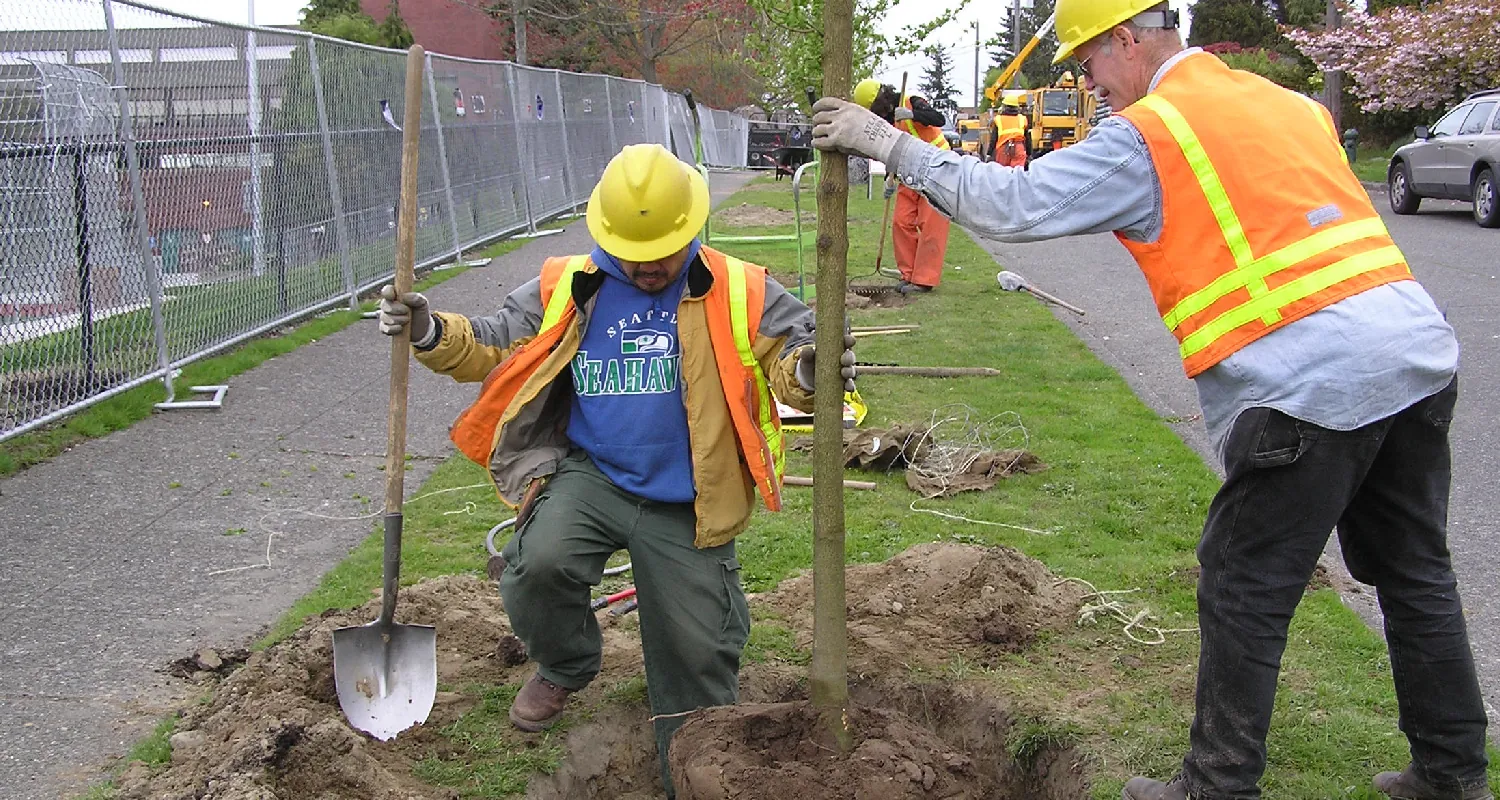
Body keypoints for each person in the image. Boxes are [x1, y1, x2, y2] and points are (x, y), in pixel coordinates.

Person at [815, 3, 1487, 800]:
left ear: (1127, 42)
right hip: (1412, 355)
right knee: (1416, 574)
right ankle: (1453, 778)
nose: (1089, 84)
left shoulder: (1154, 132)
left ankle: (1215, 786)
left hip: (1307, 380)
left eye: (1090, 64)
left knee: (1244, 590)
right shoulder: (1285, 103)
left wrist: (889, 143)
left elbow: (1016, 205)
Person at [377, 142, 856, 794]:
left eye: (663, 249)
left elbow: (795, 354)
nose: (649, 265)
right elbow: (491, 341)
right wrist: (431, 332)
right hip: (593, 475)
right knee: (535, 566)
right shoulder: (569, 284)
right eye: (634, 252)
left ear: (688, 228)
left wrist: (809, 369)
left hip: (690, 495)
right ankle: (567, 662)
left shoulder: (738, 288)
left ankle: (691, 772)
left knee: (696, 653)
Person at [852, 78, 952, 294]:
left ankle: (924, 280)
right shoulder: (885, 121)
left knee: (931, 224)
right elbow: (892, 151)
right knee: (901, 221)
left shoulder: (911, 101)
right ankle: (909, 274)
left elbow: (938, 119)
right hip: (908, 173)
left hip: (937, 168)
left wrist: (912, 115)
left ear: (880, 101)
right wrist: (890, 177)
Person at [989, 94, 1031, 167]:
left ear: (1004, 106)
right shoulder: (1022, 119)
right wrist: (1029, 154)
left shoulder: (998, 119)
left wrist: (989, 154)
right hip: (1019, 148)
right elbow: (1027, 139)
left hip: (1003, 149)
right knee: (1017, 173)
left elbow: (993, 139)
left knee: (1002, 172)